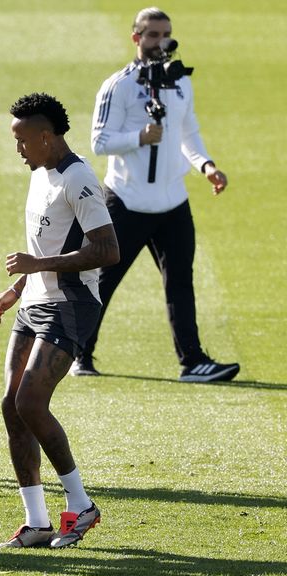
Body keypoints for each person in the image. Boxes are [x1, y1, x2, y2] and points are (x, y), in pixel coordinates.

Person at [71, 6, 240, 383]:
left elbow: (188, 132)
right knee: (102, 280)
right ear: (136, 38)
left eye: (166, 34)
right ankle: (79, 353)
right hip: (126, 201)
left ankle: (192, 362)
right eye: (152, 34)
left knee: (180, 280)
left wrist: (206, 166)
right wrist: (139, 138)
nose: (161, 41)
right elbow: (99, 142)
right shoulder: (118, 85)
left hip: (173, 203)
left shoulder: (181, 82)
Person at [0, 93, 119, 549]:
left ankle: (81, 505)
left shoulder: (79, 179)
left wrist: (35, 268)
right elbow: (43, 248)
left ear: (46, 137)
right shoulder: (40, 173)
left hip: (71, 306)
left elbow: (107, 250)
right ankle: (37, 520)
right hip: (34, 303)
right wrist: (17, 288)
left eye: (22, 140)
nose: (18, 149)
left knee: (31, 403)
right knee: (11, 404)